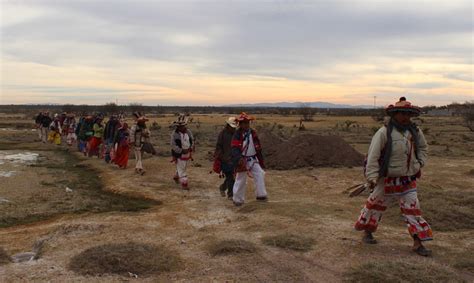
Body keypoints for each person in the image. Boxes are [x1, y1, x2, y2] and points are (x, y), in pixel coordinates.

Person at [354, 97, 432, 256]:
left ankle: (418, 243)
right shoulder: (383, 132)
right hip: (386, 180)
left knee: (413, 211)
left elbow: (423, 148)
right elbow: (373, 156)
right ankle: (367, 232)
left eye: (408, 114)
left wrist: (420, 163)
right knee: (373, 206)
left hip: (408, 180)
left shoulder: (415, 132)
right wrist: (372, 177)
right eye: (402, 113)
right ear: (395, 114)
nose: (405, 117)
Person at [231, 112, 268, 206]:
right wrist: (238, 158)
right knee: (241, 179)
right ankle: (238, 200)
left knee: (259, 173)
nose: (246, 124)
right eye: (244, 123)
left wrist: (260, 159)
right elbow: (234, 148)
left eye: (247, 122)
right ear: (240, 124)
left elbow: (258, 147)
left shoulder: (253, 133)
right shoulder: (237, 135)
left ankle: (261, 195)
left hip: (253, 158)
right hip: (242, 159)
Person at [214, 117, 238, 199]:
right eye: (232, 127)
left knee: (231, 177)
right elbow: (218, 146)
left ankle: (223, 187)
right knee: (230, 177)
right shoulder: (222, 134)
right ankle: (230, 194)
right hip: (225, 160)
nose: (233, 129)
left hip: (234, 159)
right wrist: (221, 157)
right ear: (227, 126)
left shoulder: (236, 134)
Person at [171, 115, 194, 189]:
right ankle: (184, 184)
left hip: (187, 153)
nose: (181, 127)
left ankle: (176, 176)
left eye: (182, 126)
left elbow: (192, 140)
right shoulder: (175, 134)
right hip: (178, 154)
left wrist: (191, 148)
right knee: (182, 168)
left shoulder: (188, 132)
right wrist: (181, 151)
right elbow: (173, 145)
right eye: (179, 126)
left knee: (182, 166)